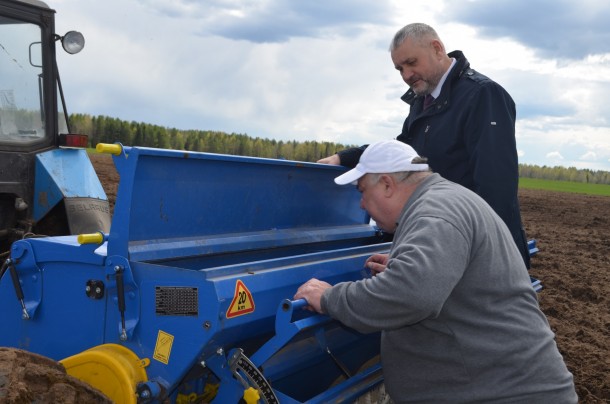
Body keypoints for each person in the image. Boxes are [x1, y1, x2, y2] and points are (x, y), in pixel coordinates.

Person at [297, 140, 577, 403]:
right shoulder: (447, 198)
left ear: (386, 184)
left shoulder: (434, 212)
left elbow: (407, 296)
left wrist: (328, 297)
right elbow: (441, 273)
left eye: (361, 191)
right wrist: (406, 262)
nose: (361, 204)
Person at [318, 23, 531, 269]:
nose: (407, 75)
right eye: (400, 69)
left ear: (437, 49)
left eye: (411, 63)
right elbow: (403, 149)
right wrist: (345, 158)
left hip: (483, 254)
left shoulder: (482, 95)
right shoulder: (425, 100)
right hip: (444, 240)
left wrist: (467, 257)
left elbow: (495, 189)